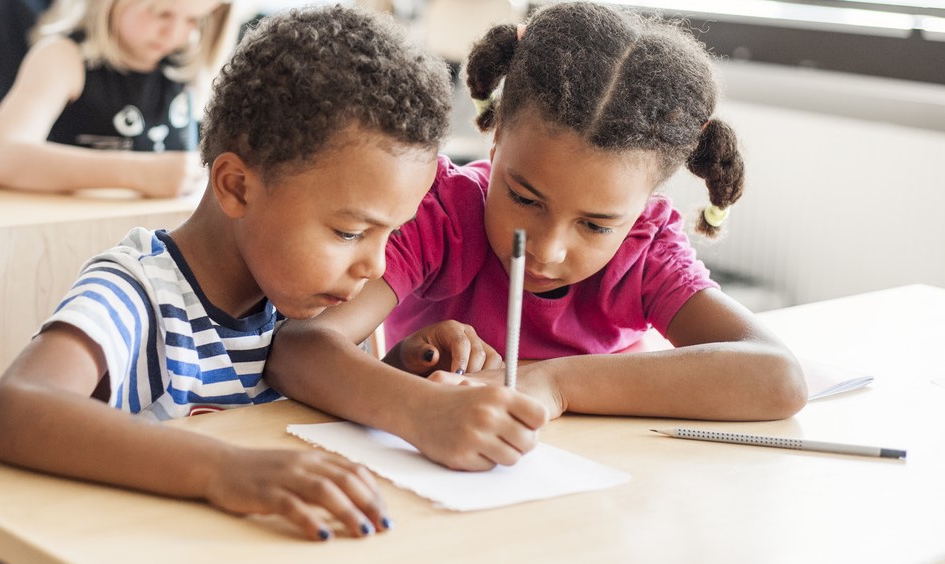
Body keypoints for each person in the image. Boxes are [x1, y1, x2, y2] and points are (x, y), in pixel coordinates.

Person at [265, 1, 808, 472]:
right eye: (524, 199)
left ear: (644, 205)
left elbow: (777, 377)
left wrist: (553, 384)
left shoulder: (645, 250)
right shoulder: (445, 216)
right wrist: (420, 409)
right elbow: (299, 349)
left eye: (596, 225)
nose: (547, 249)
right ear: (495, 140)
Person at [0, 4, 455, 541]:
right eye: (348, 232)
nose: (376, 265)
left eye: (390, 233)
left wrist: (396, 368)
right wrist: (222, 469)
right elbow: (15, 409)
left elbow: (291, 428)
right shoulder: (139, 292)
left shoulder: (303, 297)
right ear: (236, 187)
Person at [0, 0, 232, 197]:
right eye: (161, 13)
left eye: (193, 20)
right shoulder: (63, 59)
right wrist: (139, 173)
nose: (174, 33)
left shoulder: (185, 66)